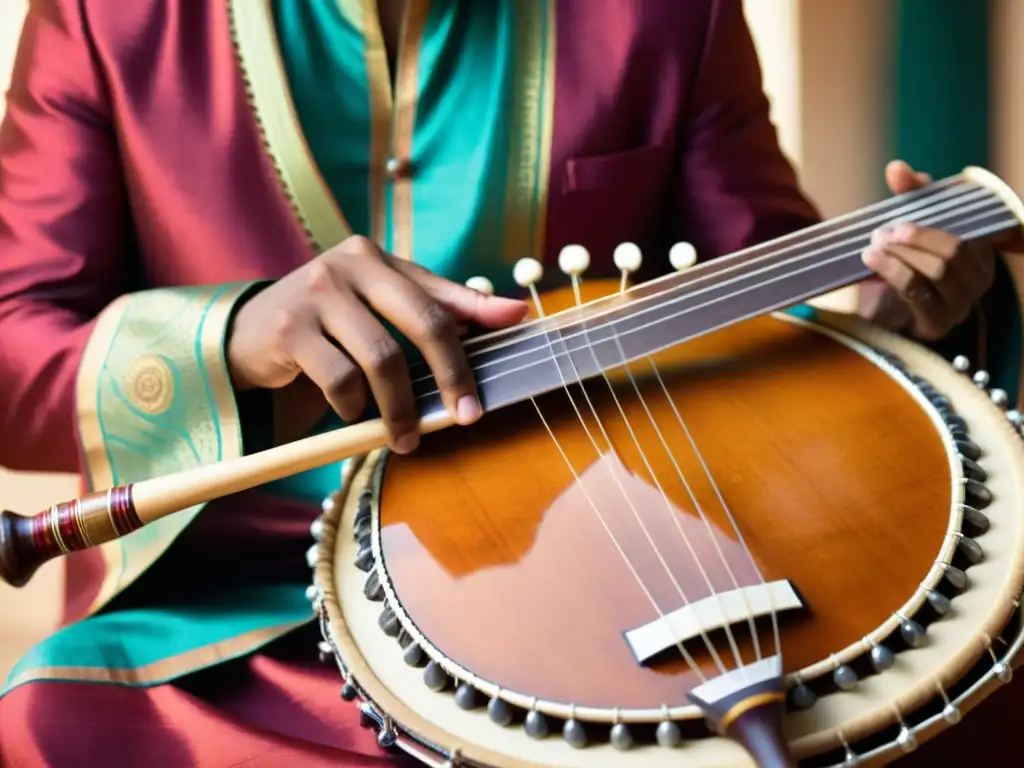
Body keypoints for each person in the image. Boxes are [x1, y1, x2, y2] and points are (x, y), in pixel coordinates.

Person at [0, 0, 1018, 765]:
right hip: (239, 608)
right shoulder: (108, 16)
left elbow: (762, 294)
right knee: (53, 725)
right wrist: (229, 338)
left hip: (617, 583)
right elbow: (13, 348)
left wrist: (891, 317)